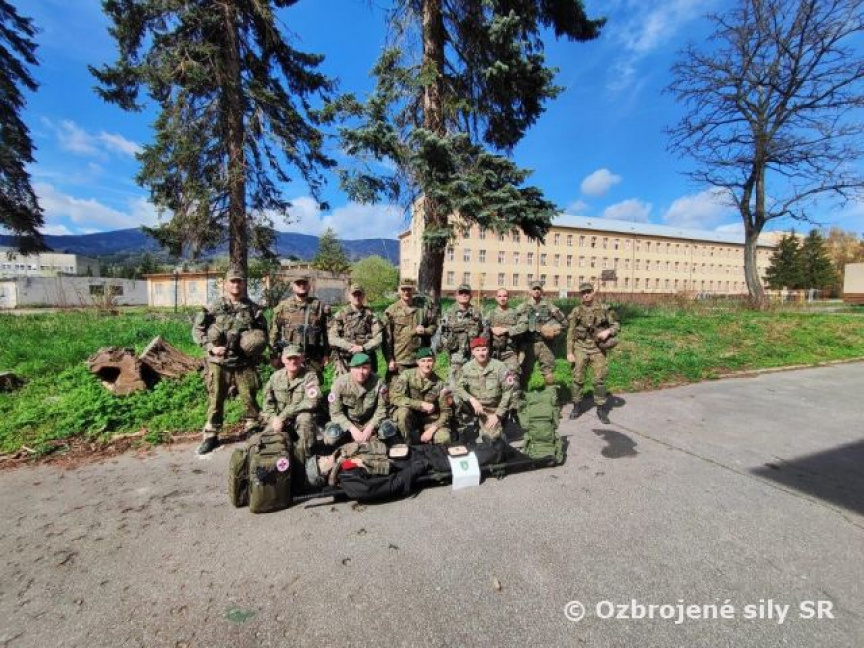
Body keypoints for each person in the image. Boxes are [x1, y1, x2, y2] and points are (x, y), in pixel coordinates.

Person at [192, 267, 267, 455]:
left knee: (249, 396)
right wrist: (211, 347)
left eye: (239, 281)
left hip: (244, 362)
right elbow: (197, 330)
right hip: (220, 361)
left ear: (243, 283)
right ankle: (211, 434)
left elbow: (263, 332)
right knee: (216, 397)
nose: (236, 284)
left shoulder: (252, 308)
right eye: (232, 281)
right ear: (226, 284)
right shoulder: (213, 307)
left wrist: (256, 346)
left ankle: (252, 427)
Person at [566, 282, 621, 424]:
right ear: (580, 295)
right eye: (583, 293)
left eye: (588, 292)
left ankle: (600, 409)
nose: (586, 295)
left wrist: (608, 331)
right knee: (577, 379)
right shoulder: (576, 311)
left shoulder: (604, 309)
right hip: (580, 348)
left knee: (599, 380)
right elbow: (570, 332)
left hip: (598, 349)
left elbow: (616, 325)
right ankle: (576, 406)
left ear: (593, 292)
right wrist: (569, 352)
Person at [260, 344, 321, 463]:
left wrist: (284, 415)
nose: (293, 361)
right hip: (280, 421)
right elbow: (268, 404)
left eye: (296, 358)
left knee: (305, 418)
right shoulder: (275, 378)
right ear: (283, 359)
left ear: (302, 358)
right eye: (289, 358)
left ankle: (305, 458)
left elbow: (312, 401)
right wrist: (273, 419)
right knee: (265, 440)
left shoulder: (310, 377)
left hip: (299, 419)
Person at [325, 352, 396, 447]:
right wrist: (352, 429)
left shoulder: (379, 382)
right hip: (349, 422)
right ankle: (346, 444)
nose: (361, 372)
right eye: (357, 368)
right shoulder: (339, 384)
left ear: (370, 369)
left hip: (370, 421)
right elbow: (336, 413)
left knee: (389, 430)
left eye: (365, 368)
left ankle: (379, 444)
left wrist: (370, 427)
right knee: (332, 435)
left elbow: (382, 409)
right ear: (350, 369)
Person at [453, 337, 516, 441]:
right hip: (474, 407)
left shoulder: (500, 367)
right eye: (477, 350)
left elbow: (508, 391)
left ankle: (500, 424)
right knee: (454, 399)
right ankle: (458, 430)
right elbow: (459, 387)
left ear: (488, 350)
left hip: (492, 409)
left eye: (484, 349)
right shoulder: (466, 368)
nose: (481, 353)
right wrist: (472, 400)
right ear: (472, 352)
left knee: (491, 438)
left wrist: (498, 415)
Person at [269, 275, 329, 377]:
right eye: (298, 283)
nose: (302, 286)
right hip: (290, 356)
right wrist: (274, 356)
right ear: (293, 287)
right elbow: (274, 332)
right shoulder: (283, 306)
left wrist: (326, 354)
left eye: (304, 283)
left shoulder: (319, 306)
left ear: (309, 286)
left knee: (313, 384)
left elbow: (326, 332)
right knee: (288, 383)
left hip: (312, 357)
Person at [390, 347, 452, 445]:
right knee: (402, 412)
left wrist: (432, 430)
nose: (426, 364)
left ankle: (434, 450)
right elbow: (395, 397)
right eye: (423, 361)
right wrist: (420, 404)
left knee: (444, 438)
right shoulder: (407, 375)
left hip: (430, 420)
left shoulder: (440, 383)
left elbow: (446, 412)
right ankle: (406, 445)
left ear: (434, 361)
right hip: (411, 417)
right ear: (417, 362)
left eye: (429, 360)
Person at [383, 278, 438, 385]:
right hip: (400, 359)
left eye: (409, 289)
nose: (406, 292)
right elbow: (387, 339)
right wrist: (390, 359)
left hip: (419, 358)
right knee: (398, 388)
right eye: (403, 289)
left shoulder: (423, 309)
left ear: (413, 290)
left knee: (418, 387)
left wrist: (425, 330)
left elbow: (434, 326)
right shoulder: (391, 311)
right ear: (399, 290)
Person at [517, 280, 566, 388]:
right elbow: (514, 324)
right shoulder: (522, 307)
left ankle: (551, 395)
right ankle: (521, 394)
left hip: (546, 344)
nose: (536, 291)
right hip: (529, 344)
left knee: (549, 372)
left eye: (538, 288)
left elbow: (564, 322)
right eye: (534, 289)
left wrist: (555, 328)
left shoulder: (549, 305)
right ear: (530, 291)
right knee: (524, 371)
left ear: (542, 290)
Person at [328, 284, 384, 375]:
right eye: (354, 295)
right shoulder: (341, 314)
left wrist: (363, 347)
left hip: (366, 358)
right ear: (349, 296)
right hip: (345, 359)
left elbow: (379, 337)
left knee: (370, 383)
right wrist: (349, 347)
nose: (357, 297)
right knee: (344, 383)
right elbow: (332, 337)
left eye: (359, 294)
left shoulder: (370, 314)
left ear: (363, 296)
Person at [486, 287, 527, 408]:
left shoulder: (515, 313)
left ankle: (513, 407)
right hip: (493, 354)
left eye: (505, 296)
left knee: (512, 379)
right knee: (492, 380)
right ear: (496, 298)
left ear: (508, 298)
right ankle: (495, 405)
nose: (502, 298)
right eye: (499, 296)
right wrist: (491, 329)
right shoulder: (490, 314)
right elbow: (482, 327)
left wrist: (507, 330)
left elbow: (524, 326)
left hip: (510, 353)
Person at [439, 283, 486, 382]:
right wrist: (448, 347)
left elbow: (484, 331)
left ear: (471, 296)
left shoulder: (477, 312)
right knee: (454, 384)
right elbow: (442, 333)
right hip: (456, 356)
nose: (464, 295)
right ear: (456, 296)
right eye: (461, 293)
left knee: (474, 383)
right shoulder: (450, 313)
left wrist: (480, 350)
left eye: (467, 293)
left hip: (474, 355)